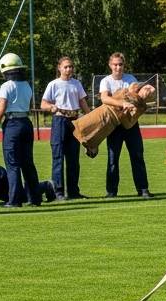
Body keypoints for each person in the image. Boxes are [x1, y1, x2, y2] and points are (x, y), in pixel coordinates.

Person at [0, 53, 43, 207]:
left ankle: (15, 200)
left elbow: (1, 108)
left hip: (12, 124)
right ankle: (35, 198)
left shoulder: (6, 86)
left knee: (12, 164)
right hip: (26, 123)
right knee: (28, 163)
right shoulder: (27, 85)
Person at [99, 52, 153, 198]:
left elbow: (138, 96)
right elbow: (104, 99)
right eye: (115, 64)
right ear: (110, 65)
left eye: (120, 64)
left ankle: (143, 189)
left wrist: (147, 91)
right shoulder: (106, 81)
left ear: (124, 65)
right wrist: (122, 103)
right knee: (112, 159)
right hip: (114, 125)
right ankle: (111, 192)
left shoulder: (130, 79)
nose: (118, 67)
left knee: (137, 156)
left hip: (131, 123)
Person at [40, 57, 91, 200]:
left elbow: (82, 102)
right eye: (66, 67)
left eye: (71, 67)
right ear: (59, 68)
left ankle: (74, 192)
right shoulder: (53, 84)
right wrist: (51, 107)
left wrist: (90, 118)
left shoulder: (76, 84)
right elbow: (43, 104)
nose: (69, 69)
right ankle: (58, 192)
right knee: (58, 157)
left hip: (74, 121)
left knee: (73, 158)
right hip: (60, 120)